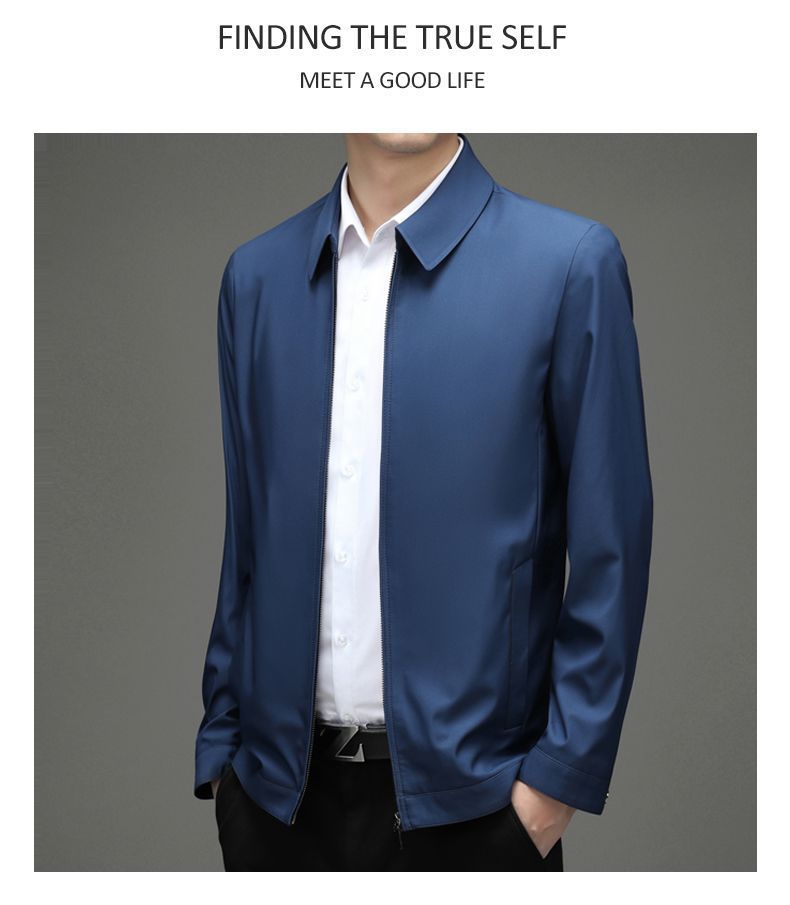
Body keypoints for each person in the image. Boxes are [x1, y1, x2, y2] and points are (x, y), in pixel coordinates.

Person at [194, 133, 653, 871]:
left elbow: (613, 551)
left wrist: (553, 788)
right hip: (277, 808)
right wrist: (224, 751)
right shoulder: (256, 278)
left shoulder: (568, 265)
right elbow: (247, 538)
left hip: (479, 814)